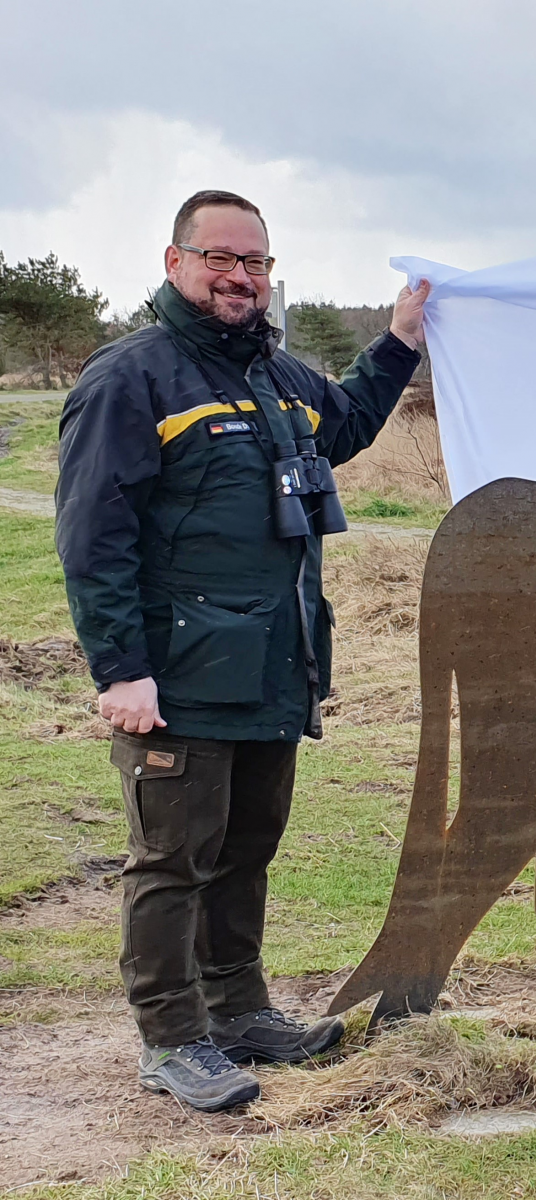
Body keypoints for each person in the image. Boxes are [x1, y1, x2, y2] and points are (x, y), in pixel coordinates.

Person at [56, 190, 429, 1110]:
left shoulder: (276, 376)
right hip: (175, 677)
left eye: (256, 263)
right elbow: (92, 537)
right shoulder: (129, 379)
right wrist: (121, 669)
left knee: (246, 847)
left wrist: (400, 343)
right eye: (221, 258)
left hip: (272, 667)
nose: (241, 277)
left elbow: (343, 427)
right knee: (172, 859)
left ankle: (238, 1012)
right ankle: (172, 1038)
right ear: (176, 261)